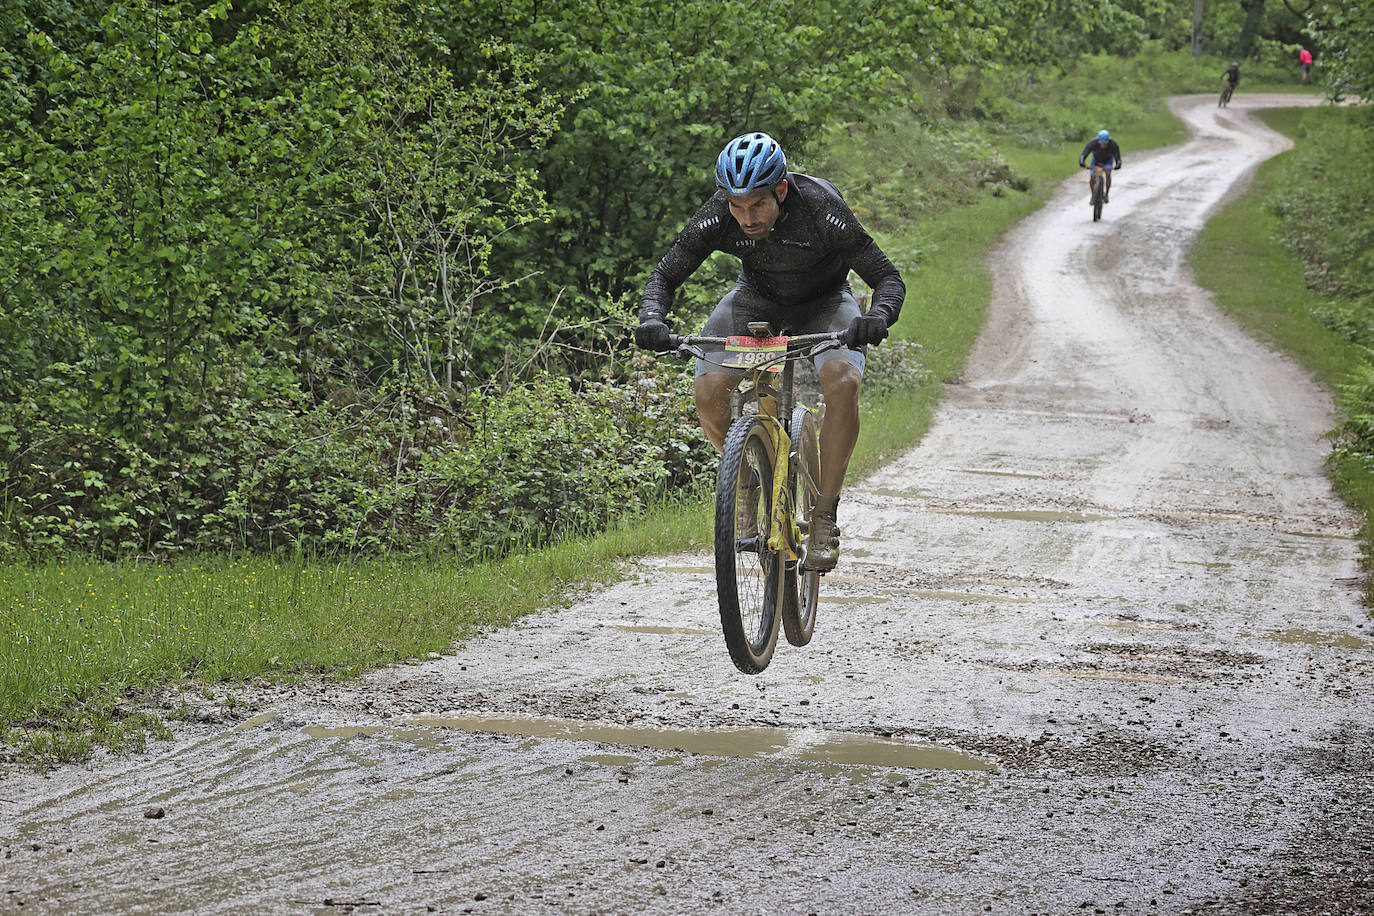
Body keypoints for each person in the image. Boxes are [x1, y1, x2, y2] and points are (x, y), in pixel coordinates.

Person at [634, 131, 905, 572]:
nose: (746, 216)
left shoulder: (819, 207)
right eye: (736, 205)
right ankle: (744, 482)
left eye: (757, 203)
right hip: (755, 300)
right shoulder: (718, 215)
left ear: (780, 189)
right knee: (708, 391)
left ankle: (823, 516)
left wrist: (879, 315)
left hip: (825, 302)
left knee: (843, 381)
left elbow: (887, 277)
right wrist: (651, 319)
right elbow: (664, 276)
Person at [1078, 129, 1122, 203]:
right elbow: (1084, 154)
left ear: (1108, 141)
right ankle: (1093, 195)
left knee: (1108, 174)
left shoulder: (1113, 144)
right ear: (1098, 141)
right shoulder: (1093, 143)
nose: (1103, 145)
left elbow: (1118, 157)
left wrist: (1118, 164)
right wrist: (1082, 162)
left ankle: (1107, 194)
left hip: (1108, 160)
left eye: (1105, 144)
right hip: (1096, 161)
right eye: (1102, 143)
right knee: (1093, 177)